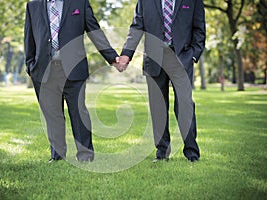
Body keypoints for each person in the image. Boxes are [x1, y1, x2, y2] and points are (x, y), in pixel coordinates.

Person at [24, 0, 120, 163]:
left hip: (74, 69)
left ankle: (85, 155)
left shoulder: (79, 3)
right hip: (43, 70)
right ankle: (57, 156)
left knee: (79, 112)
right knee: (52, 115)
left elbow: (94, 31)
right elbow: (29, 37)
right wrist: (30, 66)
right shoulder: (33, 6)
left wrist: (112, 57)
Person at [118, 0, 206, 162]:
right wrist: (126, 54)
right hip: (154, 58)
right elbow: (137, 27)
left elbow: (199, 28)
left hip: (182, 57)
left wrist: (193, 54)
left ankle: (192, 152)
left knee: (185, 104)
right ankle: (162, 152)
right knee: (158, 107)